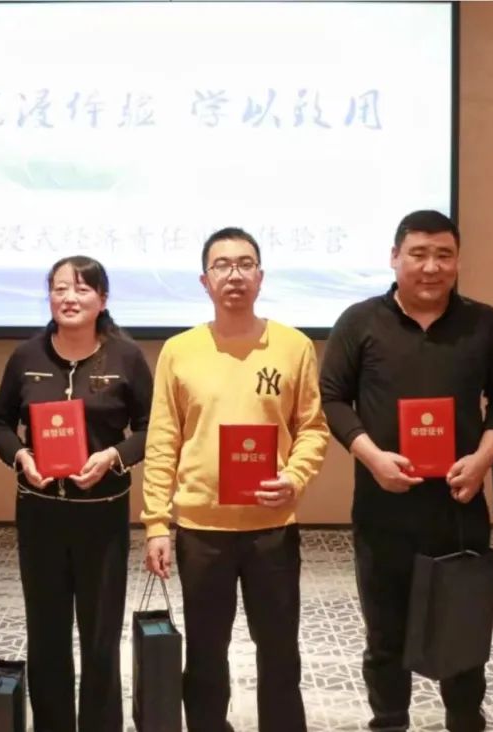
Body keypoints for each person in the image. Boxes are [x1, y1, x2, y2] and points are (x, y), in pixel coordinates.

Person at [319, 210, 493, 732]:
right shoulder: (359, 321)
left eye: (444, 255)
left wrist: (483, 460)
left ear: (458, 261)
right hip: (382, 508)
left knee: (463, 628)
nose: (432, 267)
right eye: (419, 254)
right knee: (384, 634)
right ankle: (389, 721)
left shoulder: (484, 323)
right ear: (394, 257)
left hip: (457, 505)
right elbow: (333, 398)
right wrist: (372, 457)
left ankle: (464, 721)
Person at [142, 227, 329, 732]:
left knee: (280, 652)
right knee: (205, 654)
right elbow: (162, 441)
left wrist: (295, 477)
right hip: (202, 532)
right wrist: (157, 523)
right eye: (222, 265)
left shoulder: (293, 346)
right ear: (205, 280)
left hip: (272, 528)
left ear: (261, 277)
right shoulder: (179, 350)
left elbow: (313, 428)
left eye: (245, 264)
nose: (235, 275)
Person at [0, 255, 152, 732]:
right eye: (59, 288)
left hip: (102, 516)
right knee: (46, 634)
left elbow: (152, 428)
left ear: (103, 299)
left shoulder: (125, 357)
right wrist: (21, 457)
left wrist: (113, 457)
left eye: (82, 289)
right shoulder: (27, 357)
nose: (69, 298)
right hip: (40, 515)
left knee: (101, 637)